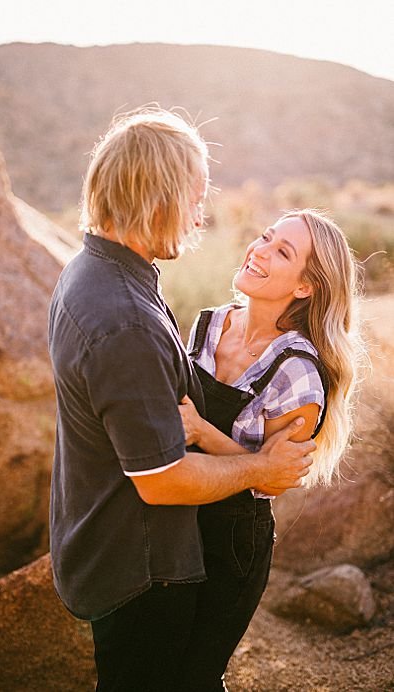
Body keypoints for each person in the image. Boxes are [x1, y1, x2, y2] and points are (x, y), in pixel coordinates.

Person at [46, 108, 317, 691]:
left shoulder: (93, 272)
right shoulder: (125, 321)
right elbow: (162, 480)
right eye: (195, 195)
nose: (201, 212)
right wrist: (261, 467)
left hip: (112, 540)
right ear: (158, 196)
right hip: (140, 566)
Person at [174, 209, 364, 689]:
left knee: (194, 675)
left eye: (282, 252)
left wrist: (200, 432)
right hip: (174, 511)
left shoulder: (299, 372)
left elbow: (272, 478)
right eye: (265, 237)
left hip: (231, 540)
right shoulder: (208, 325)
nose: (259, 250)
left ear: (305, 287)